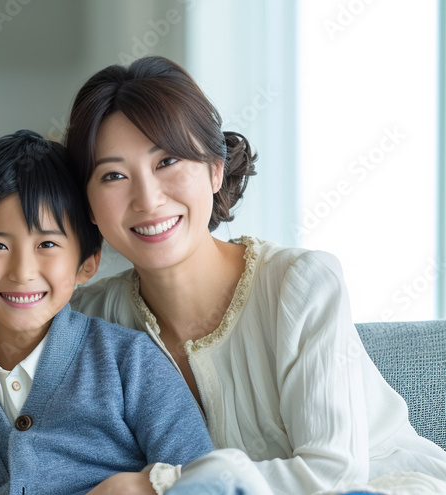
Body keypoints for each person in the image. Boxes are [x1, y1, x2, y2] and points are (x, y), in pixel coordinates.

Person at [65, 56, 446, 495]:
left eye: (167, 161)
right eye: (113, 175)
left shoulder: (301, 284)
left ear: (214, 168)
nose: (148, 200)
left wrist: (157, 486)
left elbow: (334, 474)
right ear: (89, 206)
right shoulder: (87, 318)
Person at [0, 130, 220, 494]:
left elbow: (205, 479)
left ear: (87, 263)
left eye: (48, 243)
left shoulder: (129, 364)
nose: (22, 271)